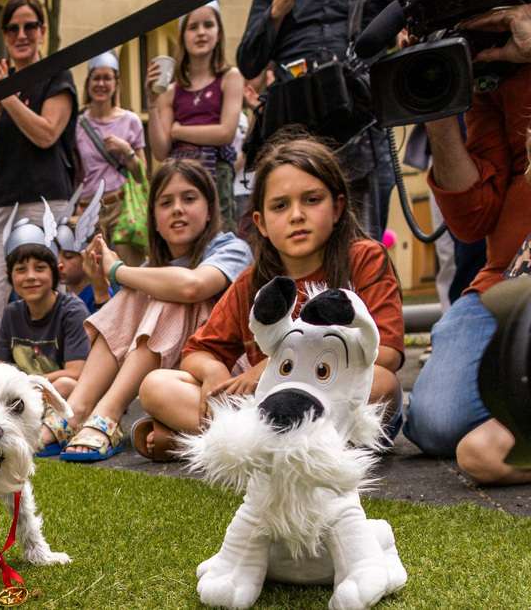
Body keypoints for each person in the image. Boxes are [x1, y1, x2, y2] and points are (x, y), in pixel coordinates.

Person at [137, 134, 404, 461]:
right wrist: (212, 371)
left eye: (311, 200)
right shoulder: (252, 283)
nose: (296, 215)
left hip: (339, 409)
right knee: (156, 385)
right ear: (261, 223)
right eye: (280, 205)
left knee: (384, 383)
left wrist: (266, 369)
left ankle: (218, 446)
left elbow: (387, 354)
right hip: (268, 411)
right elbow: (196, 352)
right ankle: (271, 453)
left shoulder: (364, 257)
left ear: (337, 207)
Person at [39, 159, 252, 462]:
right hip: (175, 380)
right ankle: (76, 412)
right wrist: (104, 287)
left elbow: (192, 286)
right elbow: (121, 333)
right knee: (143, 288)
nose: (177, 209)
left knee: (170, 294)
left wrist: (119, 271)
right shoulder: (150, 268)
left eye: (189, 199)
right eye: (166, 203)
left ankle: (108, 414)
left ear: (209, 211)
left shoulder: (231, 248)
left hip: (223, 376)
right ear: (153, 218)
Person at [403, 4, 531, 486]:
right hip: (506, 279)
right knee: (436, 423)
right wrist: (436, 105)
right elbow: (473, 219)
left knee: (478, 450)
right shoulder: (492, 64)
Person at [237, 0, 397, 240]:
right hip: (293, 133)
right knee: (294, 245)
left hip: (362, 127)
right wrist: (276, 11)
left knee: (363, 247)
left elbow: (410, 20)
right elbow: (248, 62)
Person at [0, 0, 79, 360]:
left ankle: (69, 373)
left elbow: (47, 133)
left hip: (46, 198)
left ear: (42, 31)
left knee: (57, 286)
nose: (22, 34)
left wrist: (7, 94)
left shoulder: (56, 75)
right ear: (4, 34)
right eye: (13, 28)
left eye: (29, 26)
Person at [146, 0, 244, 234]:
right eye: (193, 27)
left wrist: (179, 131)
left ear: (218, 33)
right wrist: (151, 103)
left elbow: (225, 133)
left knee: (218, 239)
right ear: (183, 36)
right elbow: (161, 151)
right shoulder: (171, 91)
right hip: (179, 179)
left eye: (208, 25)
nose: (201, 32)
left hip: (216, 178)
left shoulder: (231, 77)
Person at [75, 52, 149, 266]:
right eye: (96, 78)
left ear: (116, 83)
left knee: (131, 273)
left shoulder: (130, 120)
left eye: (107, 78)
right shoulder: (78, 124)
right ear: (88, 83)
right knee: (93, 275)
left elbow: (141, 173)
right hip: (88, 210)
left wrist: (127, 151)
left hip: (122, 208)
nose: (101, 84)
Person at [0, 242, 90, 386]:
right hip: (24, 396)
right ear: (8, 274)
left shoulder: (72, 311)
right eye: (20, 269)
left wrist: (23, 383)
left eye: (40, 268)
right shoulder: (11, 313)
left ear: (57, 271)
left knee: (66, 384)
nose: (30, 276)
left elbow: (76, 373)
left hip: (61, 397)